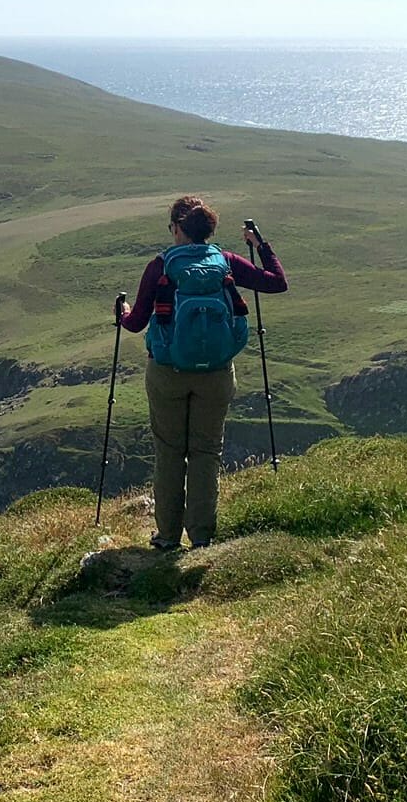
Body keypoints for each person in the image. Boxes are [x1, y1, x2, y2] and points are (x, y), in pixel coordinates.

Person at [114, 195, 287, 550]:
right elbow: (276, 282)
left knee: (169, 452)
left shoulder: (161, 266)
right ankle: (202, 537)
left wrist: (123, 312)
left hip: (167, 370)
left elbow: (136, 323)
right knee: (206, 452)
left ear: (177, 228)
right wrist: (260, 245)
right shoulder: (226, 262)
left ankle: (167, 537)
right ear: (208, 229)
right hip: (217, 372)